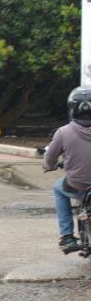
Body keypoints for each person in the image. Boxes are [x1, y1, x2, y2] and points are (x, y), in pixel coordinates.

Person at [43, 85, 91, 252]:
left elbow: (49, 160)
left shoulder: (63, 132)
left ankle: (67, 236)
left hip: (77, 185)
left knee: (58, 188)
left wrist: (49, 166)